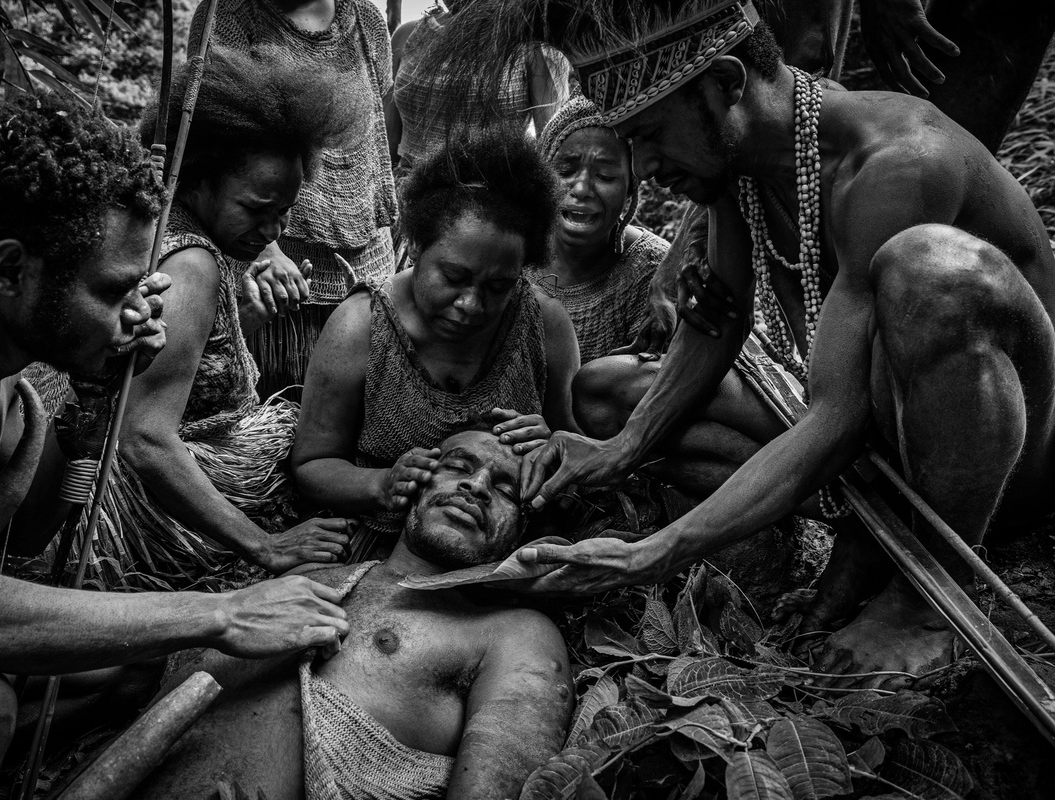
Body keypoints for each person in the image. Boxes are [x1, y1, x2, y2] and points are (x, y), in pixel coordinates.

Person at [418, 0, 1055, 686]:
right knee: (608, 396)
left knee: (927, 271)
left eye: (650, 135)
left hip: (1009, 463)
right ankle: (870, 540)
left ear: (724, 83)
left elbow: (836, 415)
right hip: (881, 445)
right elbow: (716, 321)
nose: (642, 166)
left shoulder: (896, 163)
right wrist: (622, 448)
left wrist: (654, 553)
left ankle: (930, 594)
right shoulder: (739, 161)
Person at [0, 94, 351, 799]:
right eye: (115, 288)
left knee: (129, 663)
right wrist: (224, 611)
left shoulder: (2, 392)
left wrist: (96, 395)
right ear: (9, 271)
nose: (140, 310)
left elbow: (27, 531)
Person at [134, 427, 572, 800]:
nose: (476, 485)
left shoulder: (514, 634)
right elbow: (151, 671)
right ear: (414, 483)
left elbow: (501, 785)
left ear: (521, 531)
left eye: (506, 490)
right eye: (457, 467)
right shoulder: (310, 574)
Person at [63, 46, 358, 590]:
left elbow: (179, 379)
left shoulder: (148, 228)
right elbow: (144, 436)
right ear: (198, 178)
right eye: (255, 208)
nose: (273, 234)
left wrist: (240, 323)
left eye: (283, 214)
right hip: (146, 529)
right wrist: (263, 544)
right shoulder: (191, 264)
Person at [290, 132, 580, 556]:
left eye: (499, 286)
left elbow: (579, 454)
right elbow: (310, 465)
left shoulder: (543, 323)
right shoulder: (361, 328)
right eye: (454, 278)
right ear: (416, 246)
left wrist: (554, 446)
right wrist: (379, 483)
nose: (471, 305)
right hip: (383, 550)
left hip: (501, 555)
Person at [190, 0, 398, 398]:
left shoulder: (367, 19)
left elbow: (377, 132)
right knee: (273, 406)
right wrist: (268, 250)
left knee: (355, 408)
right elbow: (214, 139)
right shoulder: (229, 14)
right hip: (273, 261)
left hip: (368, 257)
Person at [525, 94, 671, 364]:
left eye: (605, 176)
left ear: (630, 189)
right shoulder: (512, 248)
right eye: (565, 170)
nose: (581, 189)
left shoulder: (655, 271)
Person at [386, 0, 569, 180]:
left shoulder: (532, 43)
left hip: (491, 197)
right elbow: (387, 142)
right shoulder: (408, 36)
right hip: (408, 195)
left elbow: (552, 148)